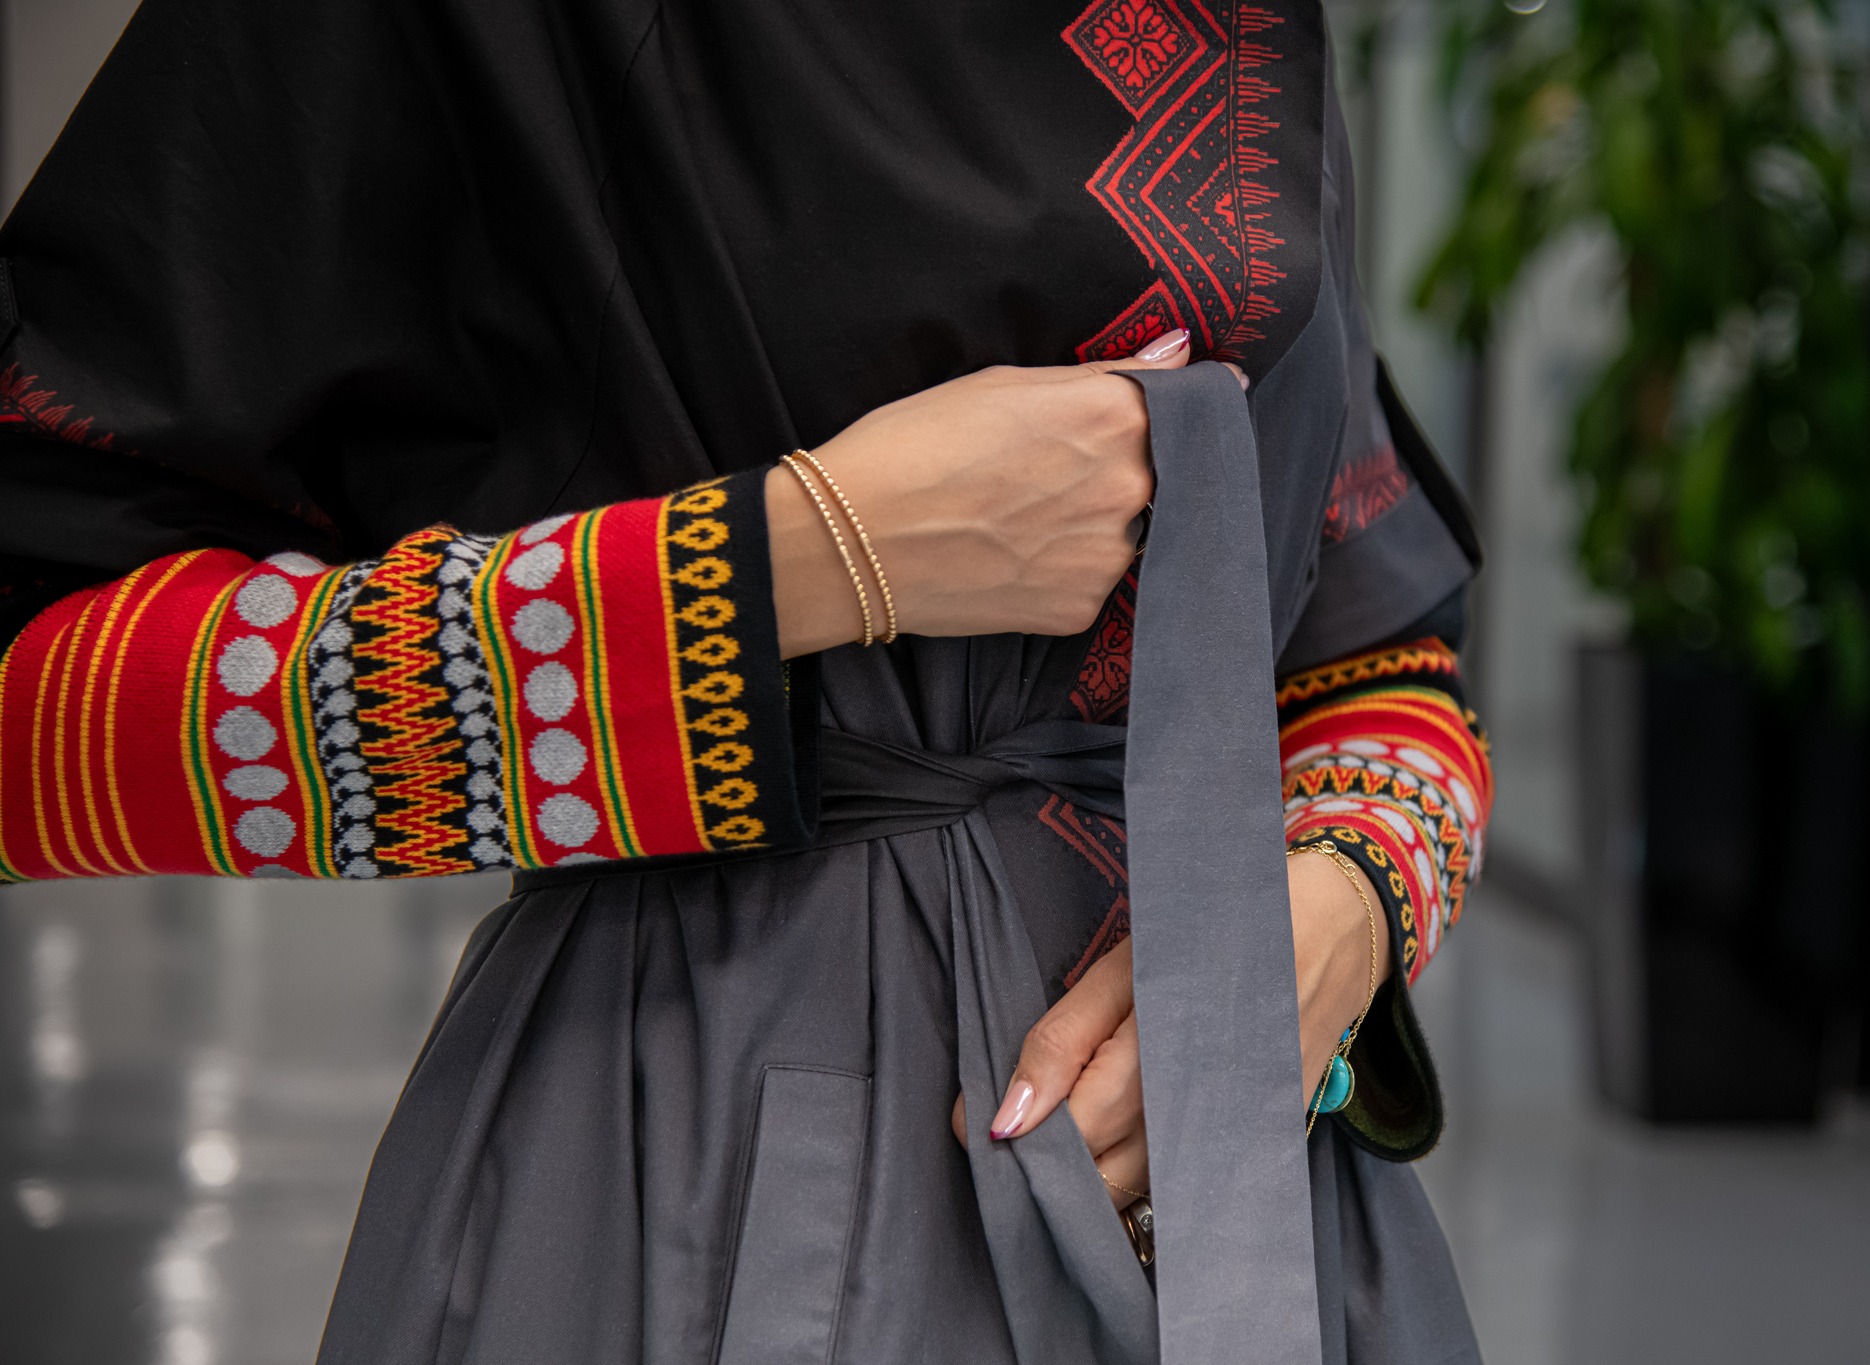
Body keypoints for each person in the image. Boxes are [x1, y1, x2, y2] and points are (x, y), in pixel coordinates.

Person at [0, 0, 1491, 1360]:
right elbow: (26, 706)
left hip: (1245, 1200)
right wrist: (788, 566)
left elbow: (1370, 646)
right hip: (697, 1184)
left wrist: (1340, 910)